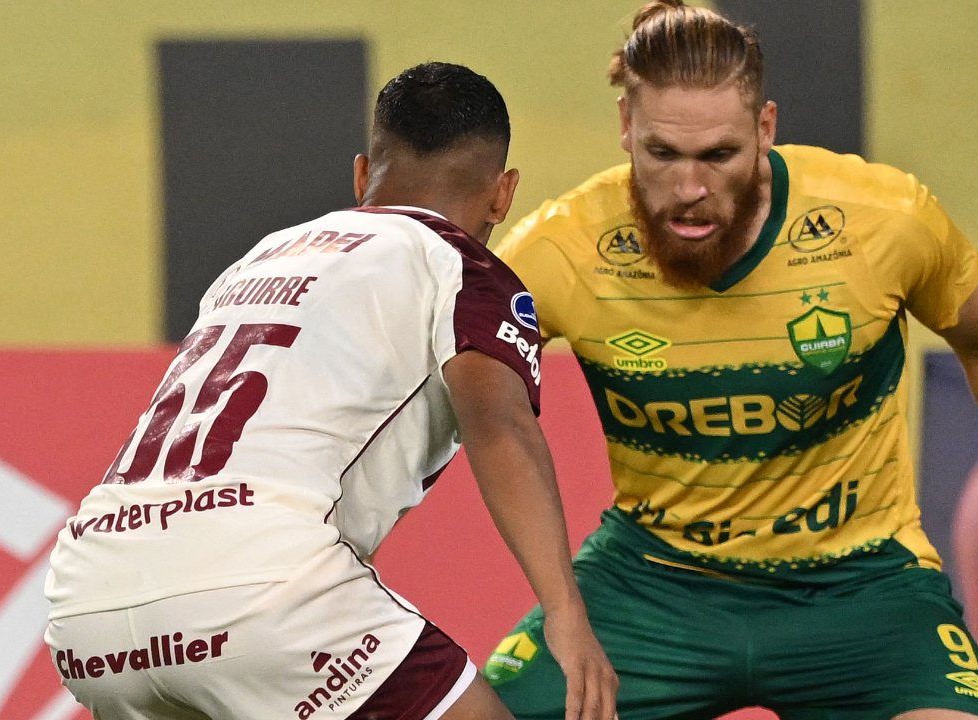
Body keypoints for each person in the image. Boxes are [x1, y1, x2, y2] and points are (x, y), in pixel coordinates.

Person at [482, 3, 978, 719]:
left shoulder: (881, 220)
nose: (689, 189)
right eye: (662, 154)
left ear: (766, 129)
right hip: (650, 588)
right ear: (626, 127)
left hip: (864, 590)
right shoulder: (561, 249)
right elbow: (463, 399)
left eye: (719, 155)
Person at [44, 61, 616, 720]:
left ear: (360, 176)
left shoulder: (257, 260)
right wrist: (566, 615)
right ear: (502, 194)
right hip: (257, 588)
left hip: (90, 601)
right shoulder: (463, 267)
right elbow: (500, 428)